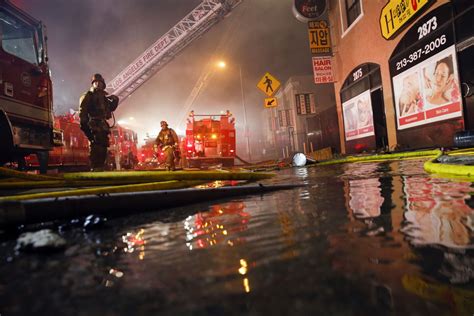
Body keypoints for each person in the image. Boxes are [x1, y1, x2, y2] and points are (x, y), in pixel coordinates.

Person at [79, 74, 119, 171]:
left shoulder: (104, 98)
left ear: (103, 84)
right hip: (93, 125)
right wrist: (87, 130)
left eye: (99, 82)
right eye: (95, 82)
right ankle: (95, 169)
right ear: (92, 84)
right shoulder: (87, 96)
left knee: (103, 148)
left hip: (103, 126)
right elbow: (82, 113)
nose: (98, 84)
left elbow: (110, 108)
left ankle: (100, 168)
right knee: (96, 148)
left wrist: (115, 100)